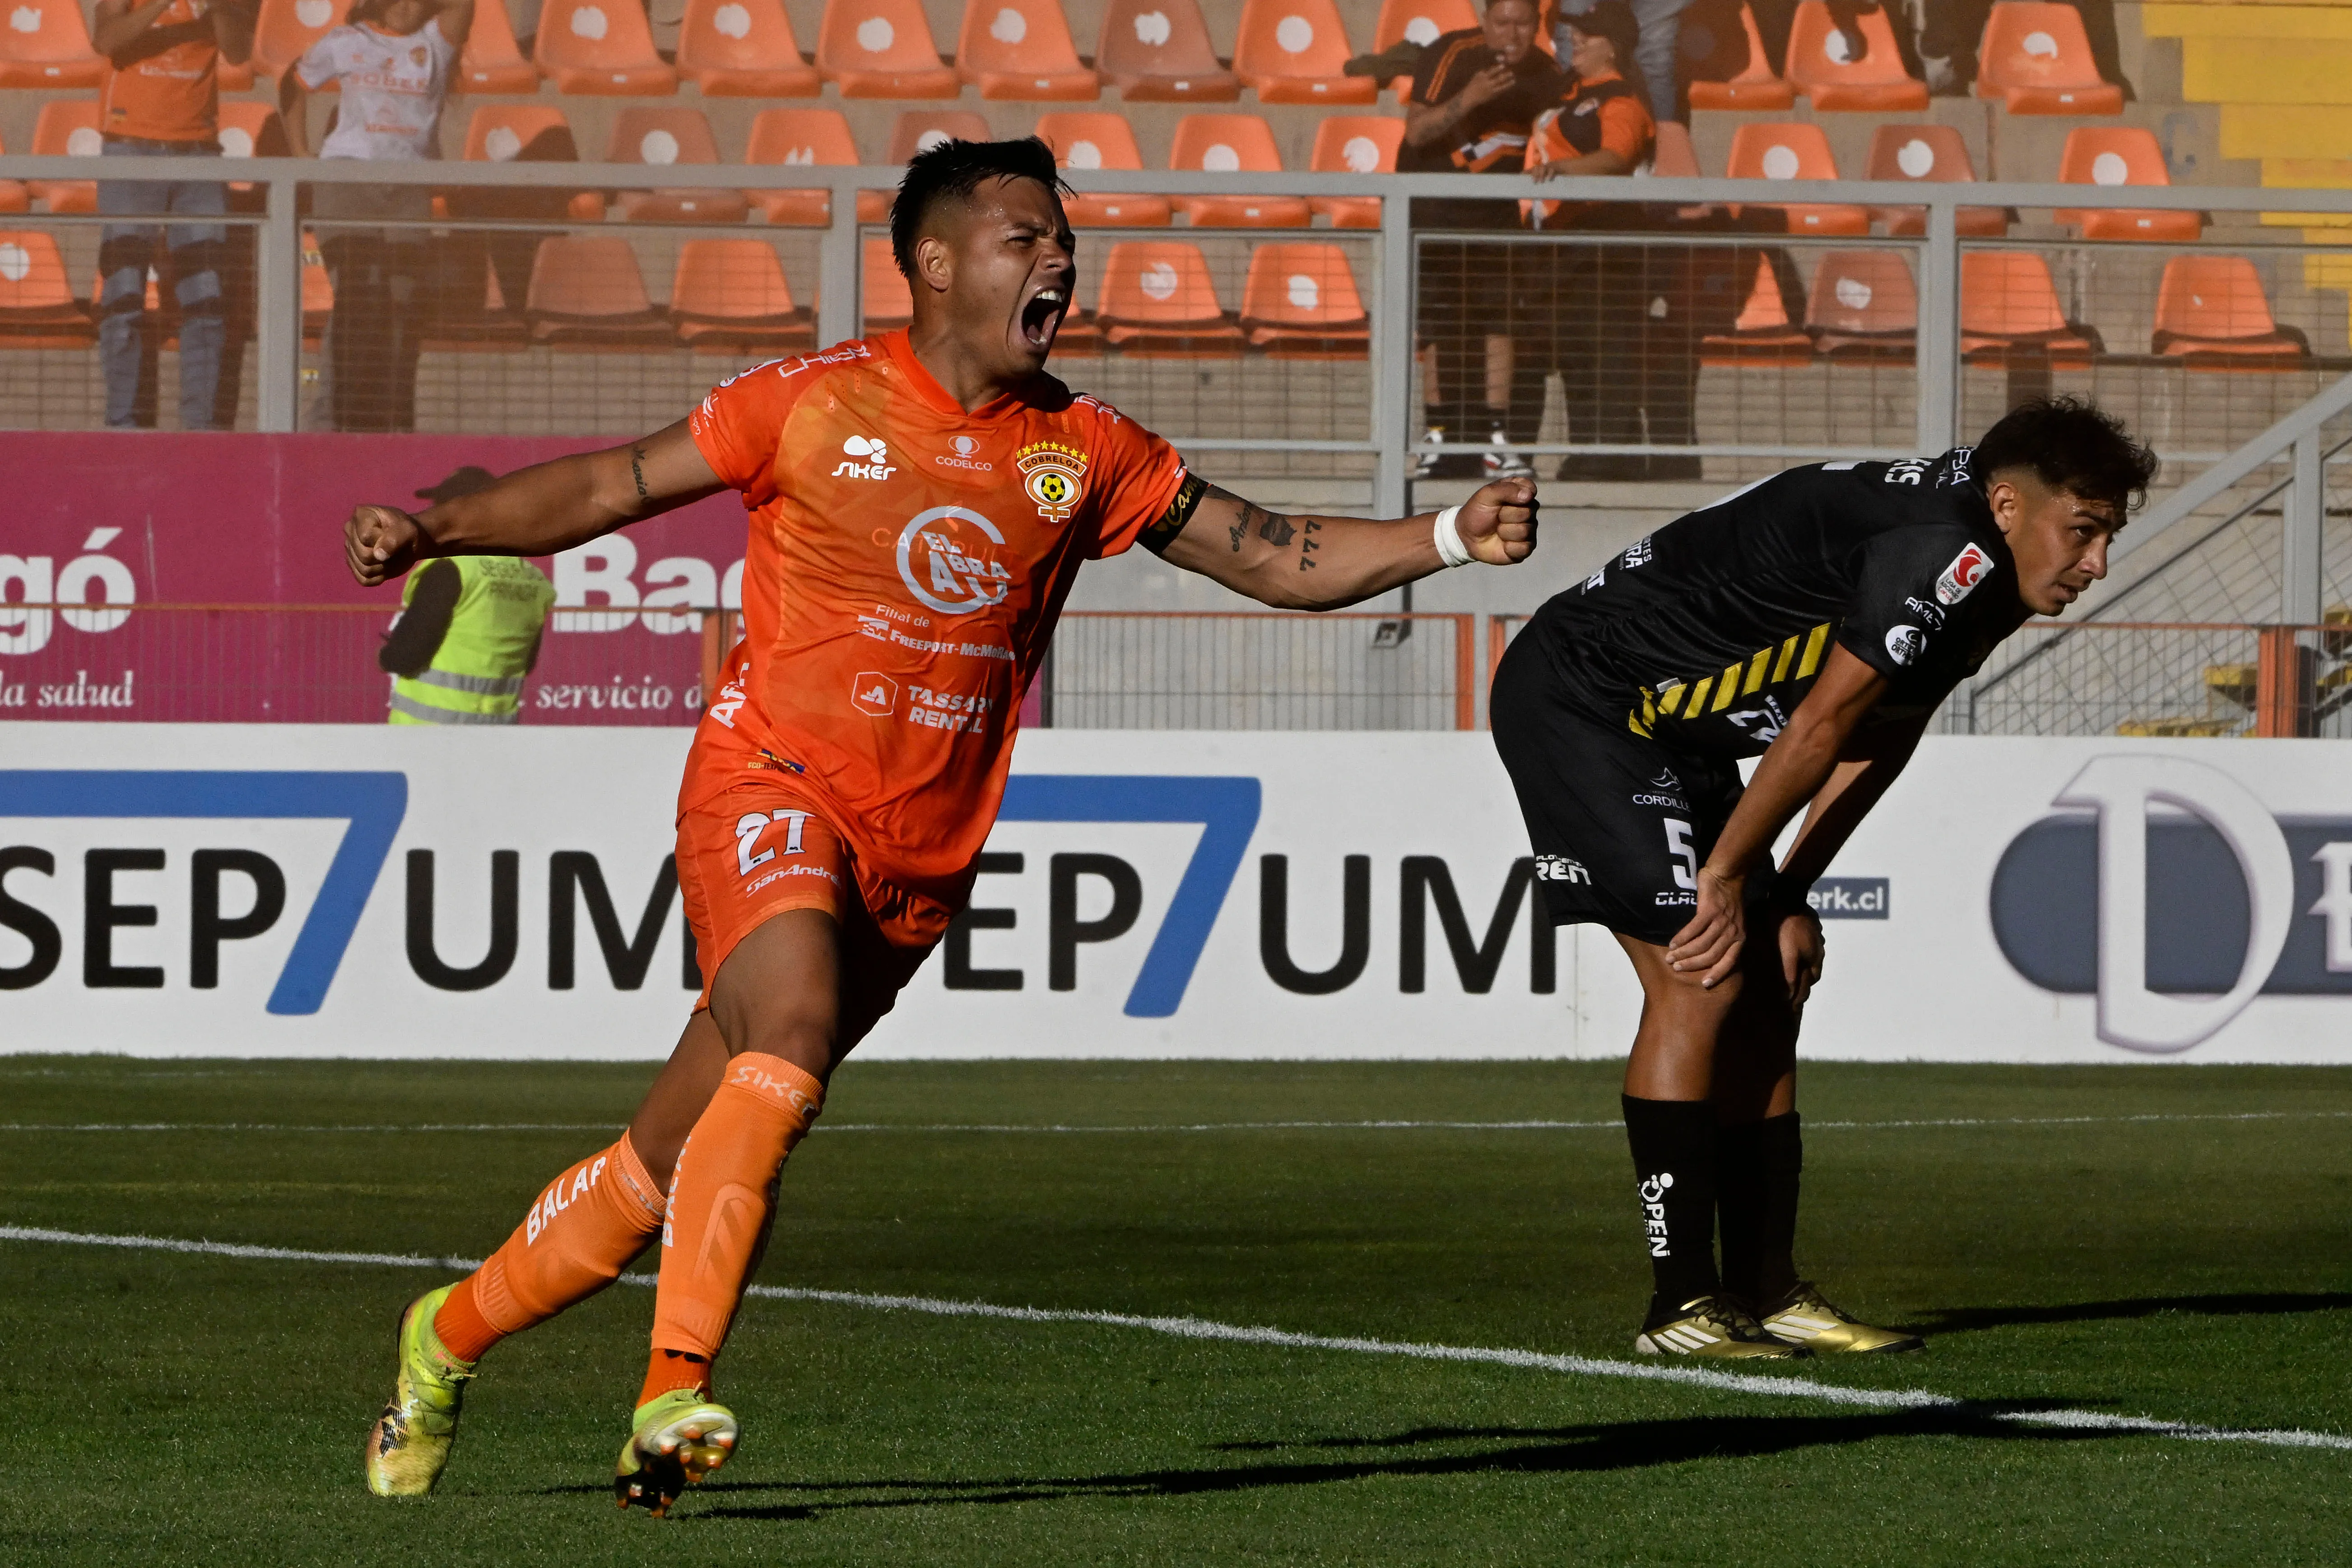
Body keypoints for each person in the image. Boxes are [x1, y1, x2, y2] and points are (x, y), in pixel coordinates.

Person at [341, 137, 1539, 1512]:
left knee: (663, 1163)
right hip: (768, 780)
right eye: (1023, 237)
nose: (1057, 262)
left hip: (914, 866)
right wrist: (442, 530)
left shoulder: (1081, 449)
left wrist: (1445, 534)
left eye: (1059, 242)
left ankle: (444, 1337)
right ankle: (669, 1391)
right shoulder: (806, 403)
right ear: (931, 260)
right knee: (786, 1029)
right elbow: (609, 483)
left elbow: (1270, 555)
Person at [1490, 397, 2156, 1358]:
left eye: (2107, 538)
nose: (2096, 565)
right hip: (1587, 698)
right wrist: (1726, 879)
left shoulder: (1992, 573)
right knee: (1698, 970)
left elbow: (1885, 728)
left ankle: (1765, 1291)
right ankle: (1680, 1308)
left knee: (1770, 975)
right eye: (2084, 532)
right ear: (2008, 505)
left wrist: (1787, 890)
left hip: (1682, 729)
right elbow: (1819, 728)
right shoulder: (1943, 549)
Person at [283, 0, 471, 431]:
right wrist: (300, 154)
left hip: (408, 189)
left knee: (401, 303)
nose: (406, 5)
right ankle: (331, 421)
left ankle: (394, 422)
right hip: (346, 184)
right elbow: (292, 84)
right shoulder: (347, 40)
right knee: (354, 297)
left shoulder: (436, 43)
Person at [1399, 0, 1568, 481]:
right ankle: (1437, 436)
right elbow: (1416, 132)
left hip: (1496, 217)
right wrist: (1468, 99)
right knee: (1439, 325)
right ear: (1483, 21)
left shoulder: (1546, 72)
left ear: (1537, 25)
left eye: (1522, 24)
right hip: (1436, 210)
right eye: (1501, 23)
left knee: (1500, 322)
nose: (1511, 35)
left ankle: (1496, 438)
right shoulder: (1450, 54)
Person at [1517, 5, 1671, 481]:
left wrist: (1559, 171)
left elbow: (1615, 157)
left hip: (1603, 250)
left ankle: (1610, 457)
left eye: (1589, 34)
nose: (1576, 40)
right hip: (1560, 248)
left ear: (1614, 47)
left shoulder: (1622, 98)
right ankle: (1585, 451)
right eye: (1575, 33)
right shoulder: (1565, 91)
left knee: (1604, 353)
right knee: (1574, 353)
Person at [90, 0, 257, 431]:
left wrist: (217, 9)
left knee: (206, 297)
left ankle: (200, 430)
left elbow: (239, 53)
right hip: (129, 149)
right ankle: (123, 426)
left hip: (199, 154)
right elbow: (106, 40)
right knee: (124, 293)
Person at [378, 468, 553, 725]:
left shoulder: (451, 569)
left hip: (427, 735)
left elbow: (406, 656)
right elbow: (526, 663)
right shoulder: (533, 579)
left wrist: (384, 657)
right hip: (496, 732)